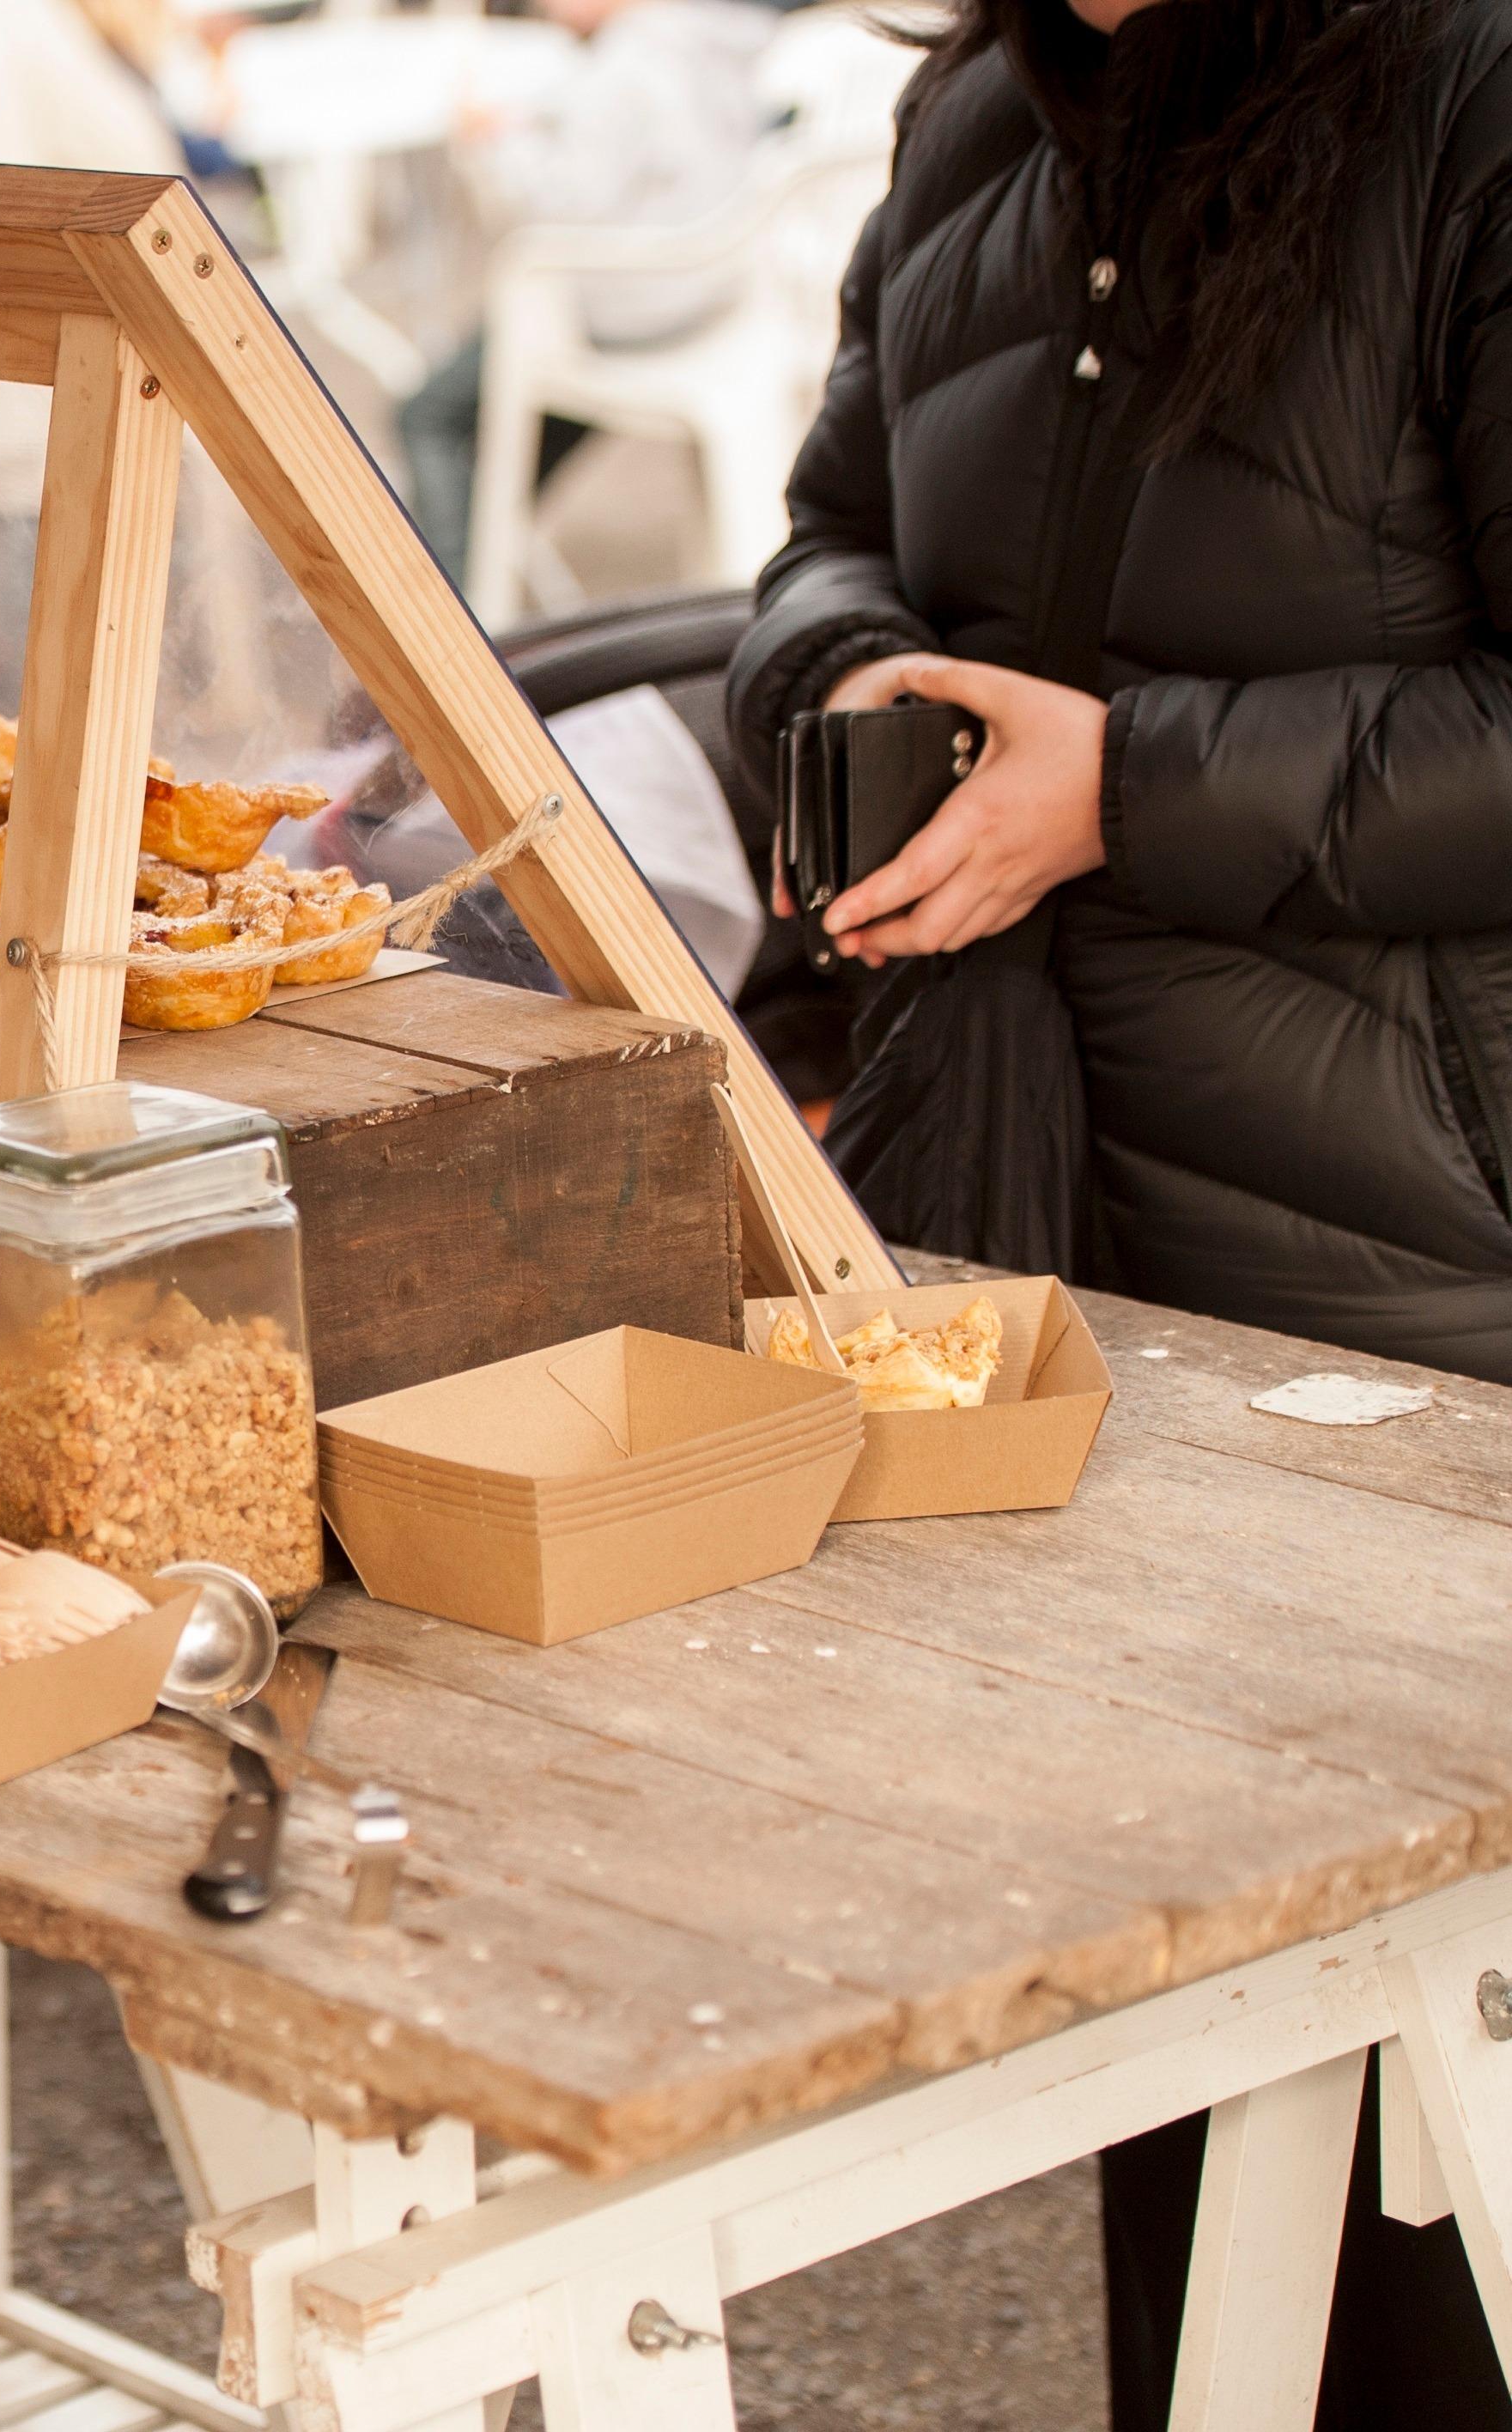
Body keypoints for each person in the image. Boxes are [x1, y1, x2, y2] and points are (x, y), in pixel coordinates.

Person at [728, 0, 1512, 2416]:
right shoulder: (984, 104)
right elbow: (828, 524)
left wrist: (1124, 789)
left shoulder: (1474, 87)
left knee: (1429, 2124)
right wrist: (853, 675)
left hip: (1416, 1270)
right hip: (1052, 1226)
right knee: (1190, 2059)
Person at [397, 0, 778, 589]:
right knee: (499, 434)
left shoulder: (624, 67)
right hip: (711, 288)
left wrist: (494, 142)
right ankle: (477, 556)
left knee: (427, 415)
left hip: (631, 305)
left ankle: (448, 604)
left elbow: (561, 203)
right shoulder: (717, 32)